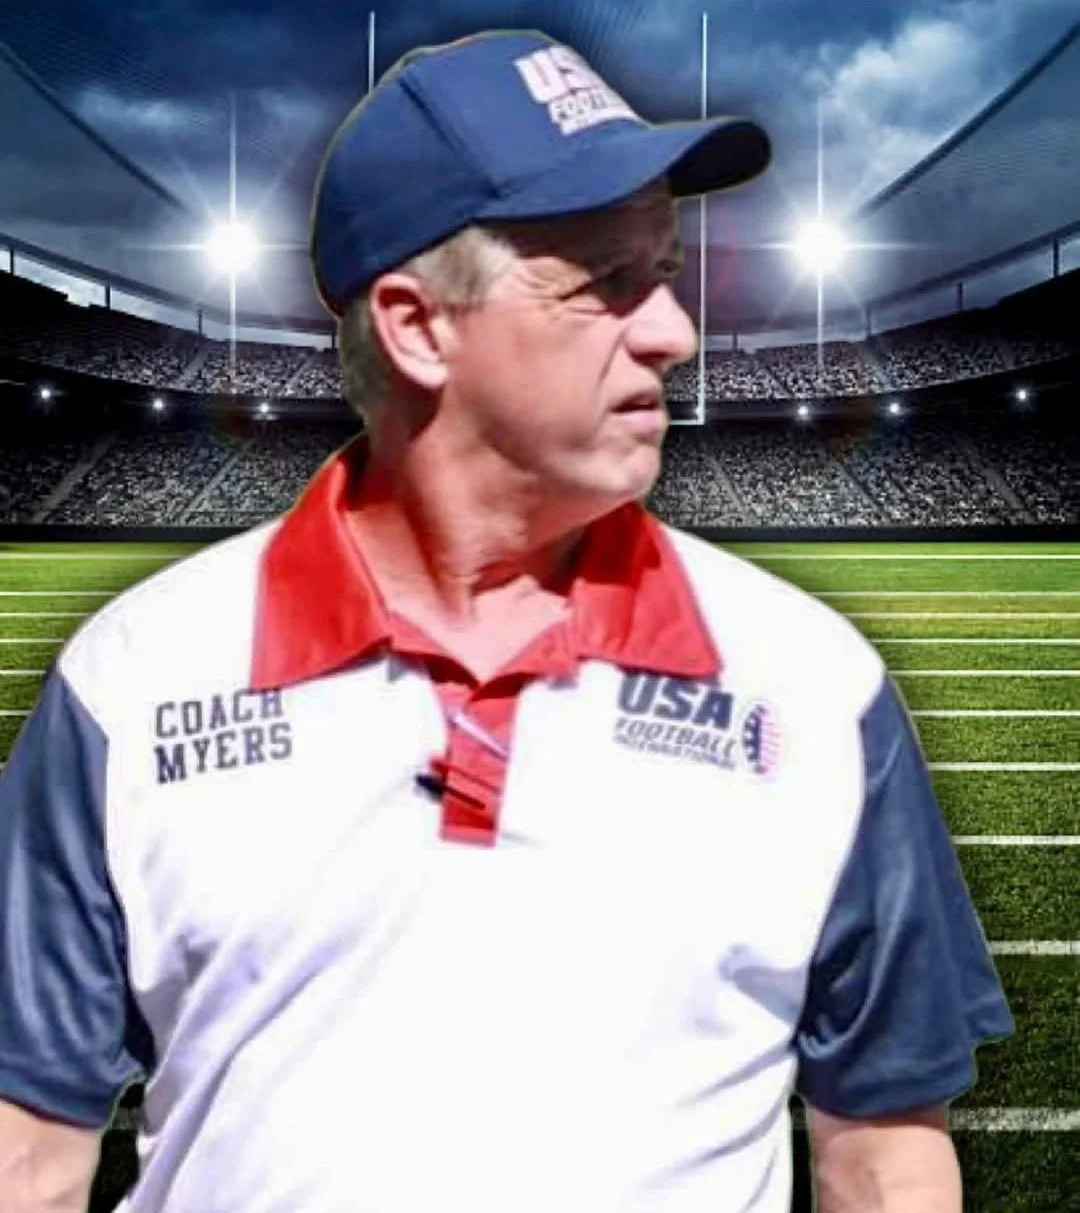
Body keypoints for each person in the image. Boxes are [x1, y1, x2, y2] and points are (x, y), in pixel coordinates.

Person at [0, 29, 1012, 1213]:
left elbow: (885, 1154)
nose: (675, 333)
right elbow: (25, 1149)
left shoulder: (811, 684)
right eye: (604, 282)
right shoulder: (135, 681)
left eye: (666, 272)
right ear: (417, 325)